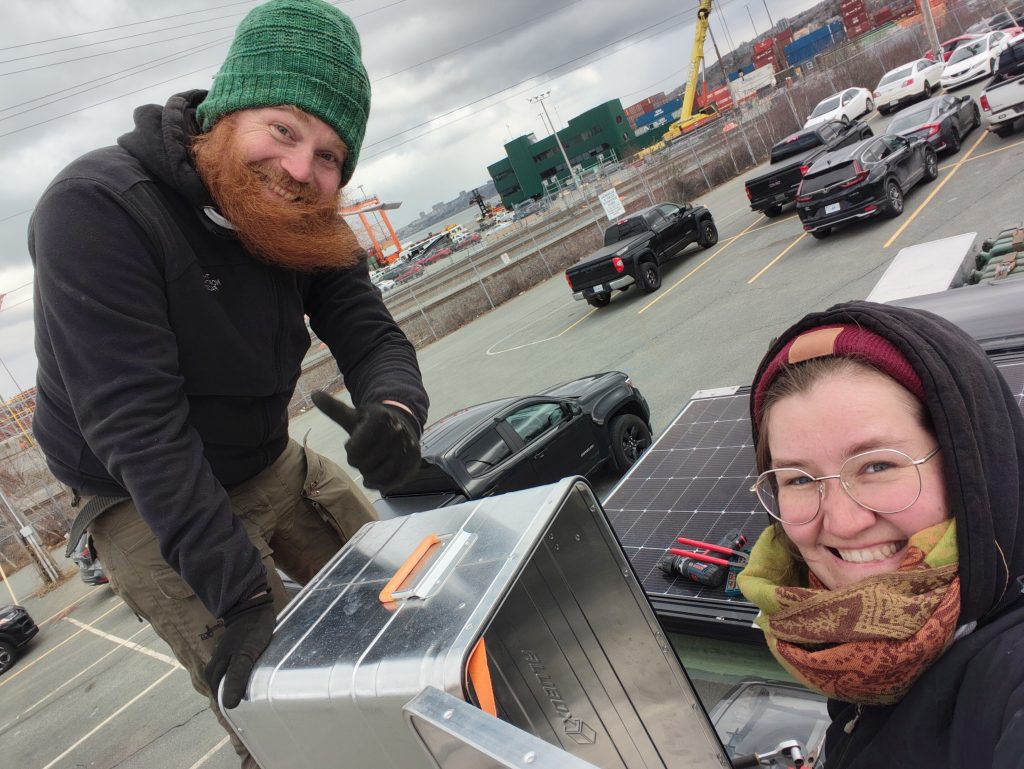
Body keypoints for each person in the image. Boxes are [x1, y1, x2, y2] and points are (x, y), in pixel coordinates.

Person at [29, 1, 428, 765]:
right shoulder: (98, 208)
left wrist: (397, 410)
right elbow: (141, 427)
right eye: (283, 129)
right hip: (146, 496)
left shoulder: (302, 215)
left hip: (267, 453)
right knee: (287, 707)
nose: (301, 170)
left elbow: (367, 327)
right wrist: (239, 593)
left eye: (330, 154)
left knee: (405, 601)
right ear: (226, 109)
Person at [737, 300, 1024, 768]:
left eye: (877, 465)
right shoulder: (839, 652)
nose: (844, 522)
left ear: (972, 469)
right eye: (799, 479)